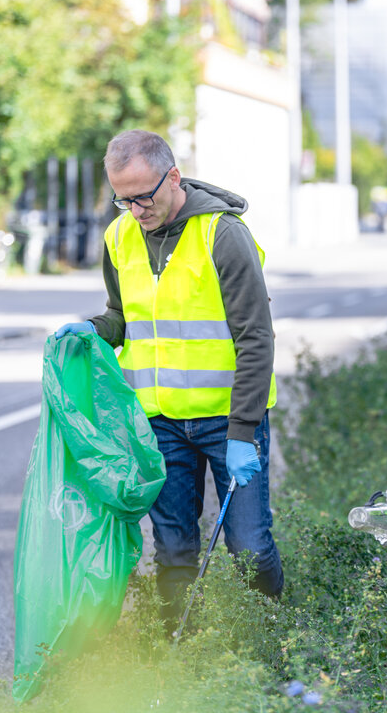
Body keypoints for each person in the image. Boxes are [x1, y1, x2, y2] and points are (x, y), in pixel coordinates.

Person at [55, 130, 283, 628]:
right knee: (175, 551)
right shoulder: (118, 236)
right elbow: (123, 315)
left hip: (228, 424)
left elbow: (255, 339)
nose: (135, 209)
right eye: (123, 198)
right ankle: (181, 660)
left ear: (173, 177)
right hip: (158, 423)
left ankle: (274, 647)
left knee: (249, 548)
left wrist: (244, 431)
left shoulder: (221, 235)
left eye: (143, 196)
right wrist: (92, 330)